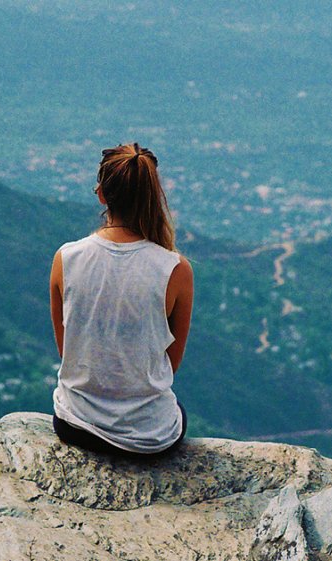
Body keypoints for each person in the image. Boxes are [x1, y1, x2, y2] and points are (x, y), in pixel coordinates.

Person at [48, 142, 194, 459]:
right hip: (149, 436)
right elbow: (170, 364)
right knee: (177, 410)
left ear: (101, 194)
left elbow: (68, 351)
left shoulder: (66, 259)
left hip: (77, 425)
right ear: (153, 196)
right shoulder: (175, 270)